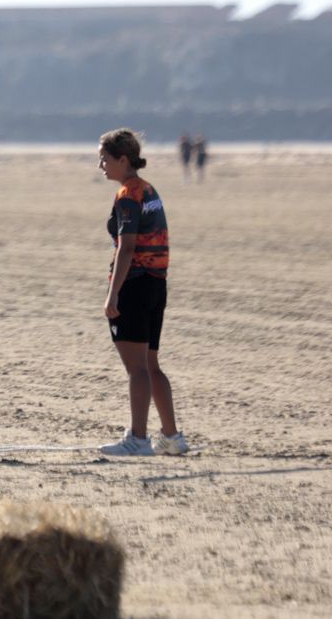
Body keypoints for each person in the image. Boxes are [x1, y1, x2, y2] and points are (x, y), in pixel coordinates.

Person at [96, 128, 187, 457]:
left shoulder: (128, 194)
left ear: (123, 159)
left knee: (137, 368)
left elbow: (127, 247)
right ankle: (172, 436)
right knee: (151, 365)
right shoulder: (149, 190)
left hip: (135, 283)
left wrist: (113, 294)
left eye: (104, 159)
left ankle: (137, 437)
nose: (100, 165)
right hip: (156, 283)